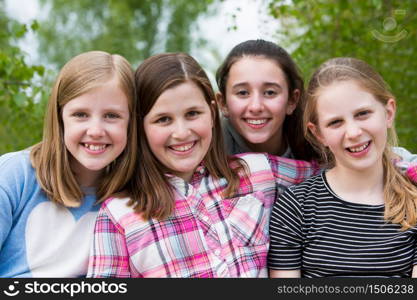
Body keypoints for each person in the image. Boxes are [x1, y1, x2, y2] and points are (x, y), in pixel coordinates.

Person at [87, 52, 320, 278]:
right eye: (163, 119)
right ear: (140, 126)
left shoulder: (258, 171)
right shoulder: (119, 214)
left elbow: (334, 175)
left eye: (192, 114)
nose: (181, 133)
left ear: (211, 112)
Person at [268, 57, 417, 278]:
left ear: (388, 113)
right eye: (335, 122)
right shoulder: (296, 206)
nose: (354, 132)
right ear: (319, 134)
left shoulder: (413, 198)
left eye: (362, 114)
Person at [0, 51, 137, 277]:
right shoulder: (15, 175)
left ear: (131, 122)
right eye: (81, 114)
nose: (95, 130)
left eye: (112, 116)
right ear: (60, 118)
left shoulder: (132, 198)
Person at [215, 39, 417, 164]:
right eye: (242, 93)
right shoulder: (211, 147)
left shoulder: (316, 141)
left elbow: (388, 156)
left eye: (270, 92)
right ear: (223, 103)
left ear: (292, 100)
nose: (256, 106)